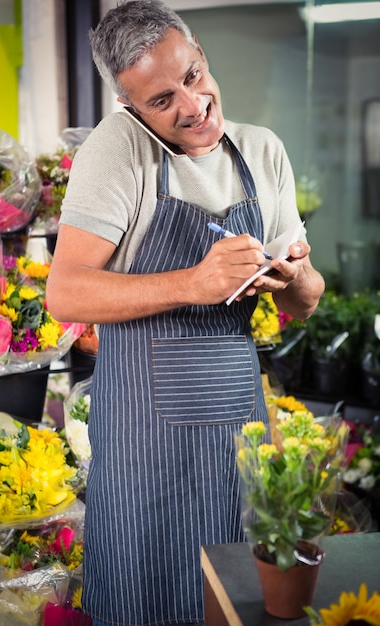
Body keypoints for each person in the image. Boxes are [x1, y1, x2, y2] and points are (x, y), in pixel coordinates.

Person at [46, 1, 325, 624]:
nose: (193, 105)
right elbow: (64, 294)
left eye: (193, 76)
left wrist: (296, 274)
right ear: (130, 108)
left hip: (239, 424)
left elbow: (304, 304)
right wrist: (193, 282)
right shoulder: (116, 151)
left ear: (199, 50)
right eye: (162, 100)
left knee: (237, 592)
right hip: (145, 437)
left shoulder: (262, 150)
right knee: (149, 591)